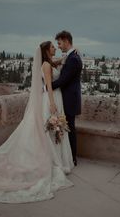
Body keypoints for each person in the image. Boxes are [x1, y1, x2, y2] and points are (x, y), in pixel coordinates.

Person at [0, 41, 74, 204]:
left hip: (56, 97)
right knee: (49, 130)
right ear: (46, 50)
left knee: (53, 130)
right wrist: (52, 104)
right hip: (51, 98)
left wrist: (67, 56)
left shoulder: (49, 63)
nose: (55, 48)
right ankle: (51, 161)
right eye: (52, 47)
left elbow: (57, 63)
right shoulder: (45, 65)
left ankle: (56, 159)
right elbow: (49, 86)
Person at [52, 30, 83, 166]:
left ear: (66, 41)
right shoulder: (70, 56)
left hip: (70, 99)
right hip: (68, 97)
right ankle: (69, 157)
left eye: (59, 43)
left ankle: (72, 158)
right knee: (68, 127)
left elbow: (63, 80)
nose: (58, 46)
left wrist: (46, 87)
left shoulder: (73, 59)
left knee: (69, 128)